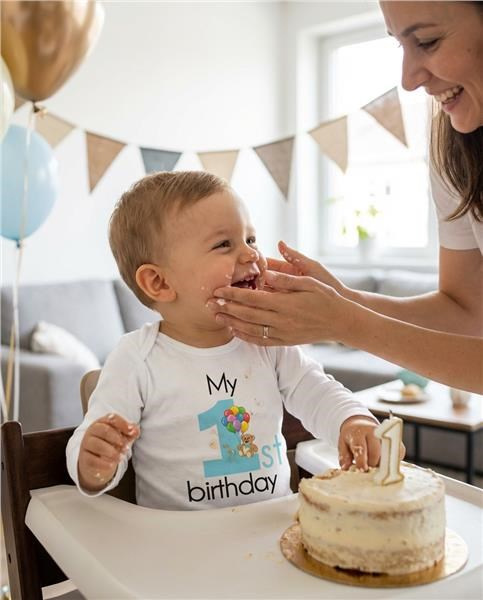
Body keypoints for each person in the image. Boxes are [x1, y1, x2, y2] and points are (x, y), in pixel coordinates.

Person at [207, 1, 483, 394]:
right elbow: (468, 313)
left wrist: (346, 323)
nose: (408, 79)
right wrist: (342, 300)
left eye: (427, 41)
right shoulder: (457, 146)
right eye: (400, 45)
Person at [66, 171, 383, 510]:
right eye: (224, 245)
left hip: (270, 526)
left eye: (251, 239)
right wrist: (95, 461)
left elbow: (317, 391)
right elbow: (93, 437)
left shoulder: (268, 339)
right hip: (182, 536)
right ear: (159, 283)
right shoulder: (136, 358)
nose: (250, 255)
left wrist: (351, 419)